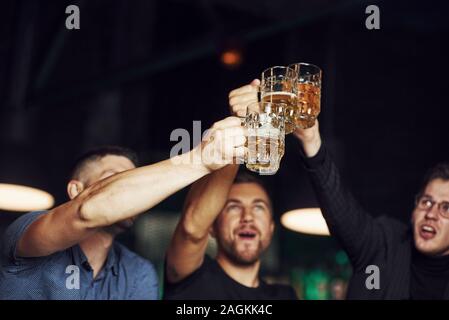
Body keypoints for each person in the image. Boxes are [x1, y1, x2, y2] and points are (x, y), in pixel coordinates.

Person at [229, 80, 449, 300]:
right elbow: (343, 212)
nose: (431, 213)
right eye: (426, 202)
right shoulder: (384, 244)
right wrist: (312, 141)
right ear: (416, 205)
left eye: (446, 208)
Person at [0, 116, 246, 300]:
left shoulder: (138, 272)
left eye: (134, 182)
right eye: (114, 179)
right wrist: (200, 158)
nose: (133, 194)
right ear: (76, 190)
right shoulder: (26, 231)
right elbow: (85, 212)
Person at [164, 91, 297, 300]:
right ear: (212, 227)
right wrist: (242, 126)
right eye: (233, 206)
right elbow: (191, 229)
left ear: (271, 228)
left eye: (258, 207)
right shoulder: (192, 277)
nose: (247, 217)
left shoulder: (284, 296)